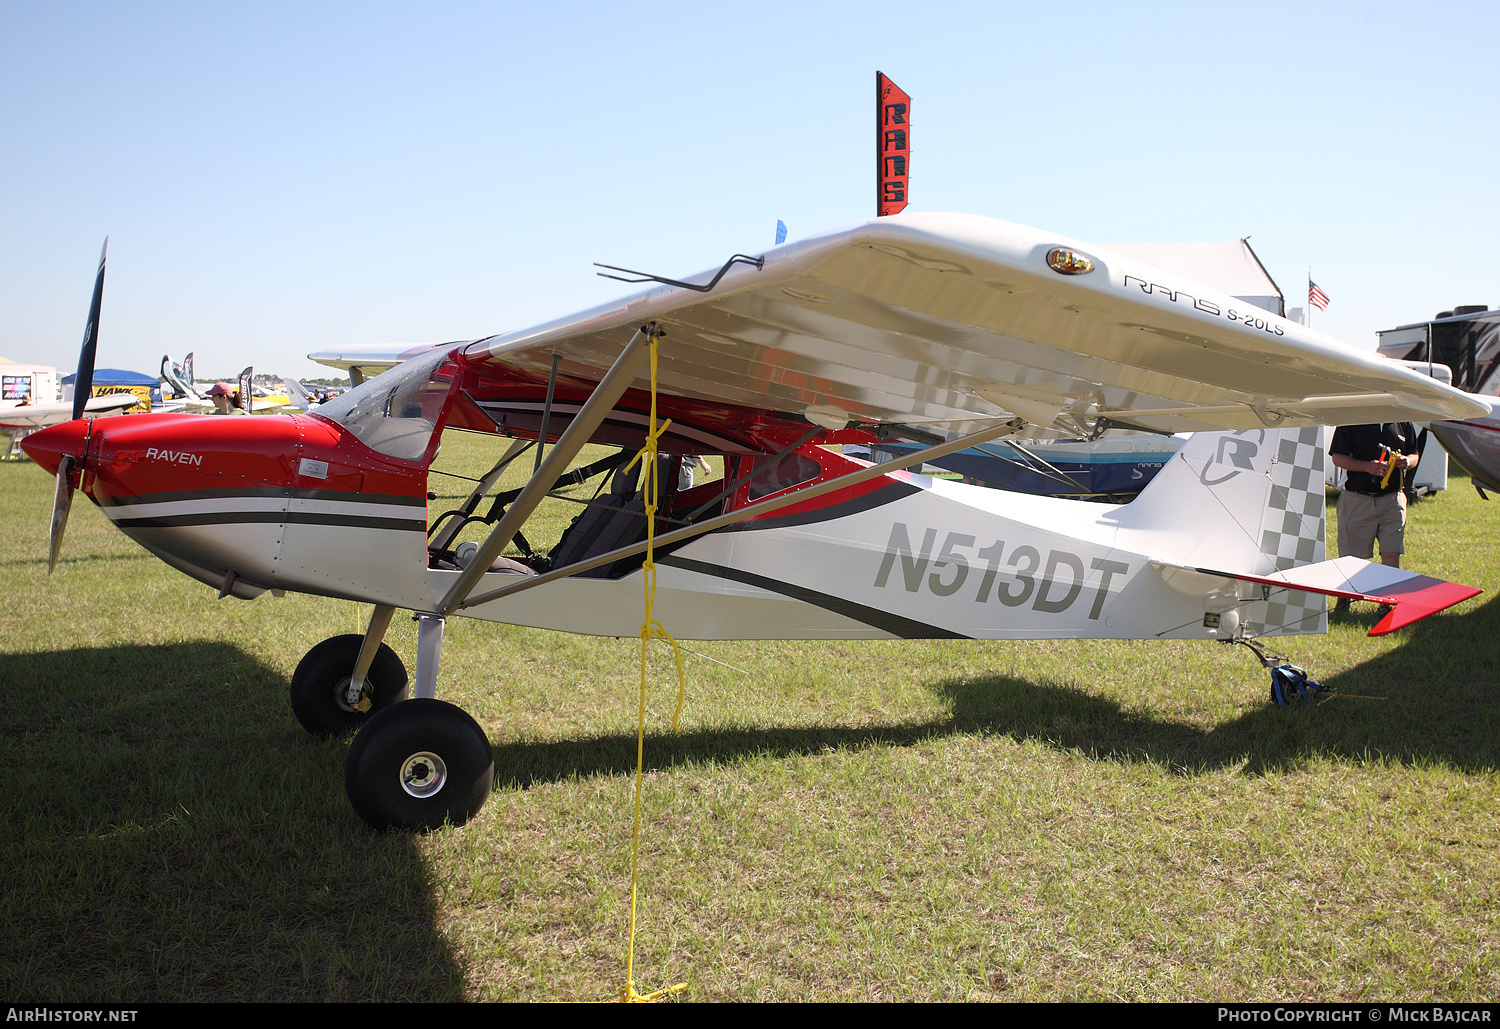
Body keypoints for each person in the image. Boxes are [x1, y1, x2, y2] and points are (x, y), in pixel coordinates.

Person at [1328, 421, 1421, 613]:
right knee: (1351, 556)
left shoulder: (1402, 421)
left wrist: (1407, 462)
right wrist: (1367, 467)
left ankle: (1387, 604)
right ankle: (1345, 599)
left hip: (1392, 499)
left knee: (1391, 552)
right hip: (1357, 498)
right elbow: (1337, 458)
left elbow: (1414, 454)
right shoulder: (1353, 420)